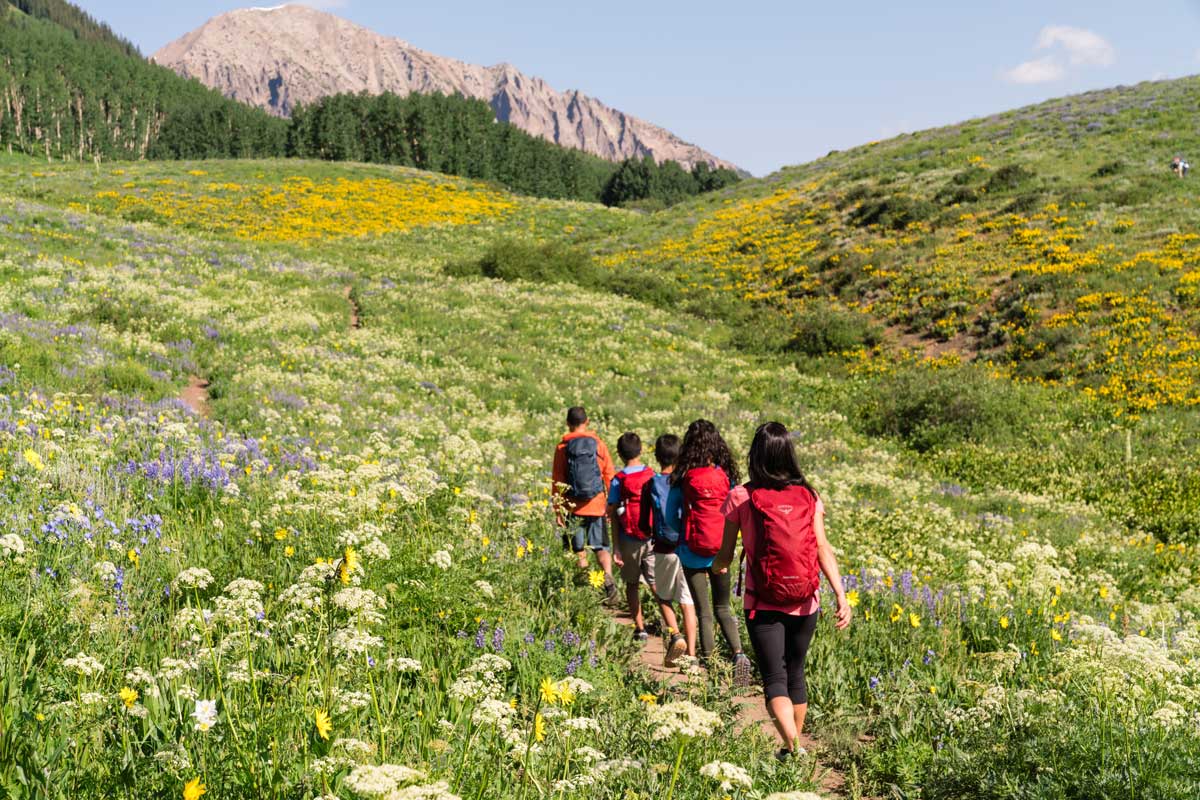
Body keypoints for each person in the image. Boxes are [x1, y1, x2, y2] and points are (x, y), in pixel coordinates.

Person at [714, 422, 852, 761]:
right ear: (789, 452)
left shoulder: (741, 496)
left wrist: (717, 566)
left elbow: (726, 552)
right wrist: (841, 594)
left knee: (773, 676)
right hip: (806, 602)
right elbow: (822, 547)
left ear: (755, 456)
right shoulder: (808, 494)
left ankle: (793, 746)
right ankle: (793, 749)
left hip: (762, 601)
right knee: (796, 671)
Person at [673, 419, 752, 685]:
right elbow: (735, 511)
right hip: (721, 550)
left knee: (703, 611)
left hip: (692, 551)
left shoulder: (684, 478)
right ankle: (739, 655)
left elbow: (672, 516)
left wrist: (680, 537)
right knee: (723, 607)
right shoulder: (724, 475)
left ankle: (711, 666)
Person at [638, 433, 698, 667]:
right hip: (687, 548)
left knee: (663, 596)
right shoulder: (686, 481)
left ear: (656, 456)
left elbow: (645, 522)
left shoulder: (650, 484)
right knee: (687, 601)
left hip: (663, 548)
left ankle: (676, 635)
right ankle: (692, 656)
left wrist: (647, 533)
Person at [607, 432, 674, 642]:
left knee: (632, 584)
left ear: (619, 453)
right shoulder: (650, 474)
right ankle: (672, 629)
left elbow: (613, 513)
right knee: (656, 584)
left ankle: (640, 628)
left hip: (628, 539)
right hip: (652, 538)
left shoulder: (618, 480)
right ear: (641, 450)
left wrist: (615, 546)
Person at [552, 406, 618, 604]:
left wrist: (558, 509)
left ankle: (586, 588)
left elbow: (558, 479)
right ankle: (607, 576)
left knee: (578, 550)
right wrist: (610, 504)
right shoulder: (598, 444)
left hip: (573, 507)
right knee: (601, 547)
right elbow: (609, 475)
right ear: (587, 421)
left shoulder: (563, 447)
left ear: (567, 423)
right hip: (596, 504)